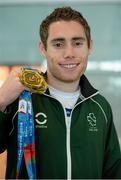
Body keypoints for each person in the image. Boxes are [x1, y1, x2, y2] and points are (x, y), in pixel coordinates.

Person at [0, 6, 121, 179]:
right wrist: (1, 99)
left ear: (89, 46)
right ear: (43, 48)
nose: (69, 53)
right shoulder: (21, 101)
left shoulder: (100, 107)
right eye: (58, 44)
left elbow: (114, 172)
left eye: (77, 43)